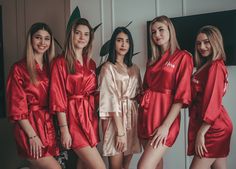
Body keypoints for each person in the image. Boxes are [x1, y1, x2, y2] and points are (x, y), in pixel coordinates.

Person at [137, 15, 193, 169]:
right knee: (155, 165)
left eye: (161, 30)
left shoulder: (183, 57)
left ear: (170, 30)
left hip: (164, 118)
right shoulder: (151, 60)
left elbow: (181, 97)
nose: (157, 35)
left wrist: (165, 126)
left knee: (143, 166)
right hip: (146, 116)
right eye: (153, 32)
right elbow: (144, 89)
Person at [49, 18, 106, 169]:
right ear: (71, 35)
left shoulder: (91, 63)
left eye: (86, 34)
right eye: (78, 33)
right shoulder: (60, 62)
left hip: (89, 118)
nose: (82, 37)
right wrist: (64, 129)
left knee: (83, 164)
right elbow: (58, 97)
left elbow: (94, 93)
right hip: (72, 119)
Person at [6, 23, 61, 169]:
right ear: (30, 40)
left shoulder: (52, 67)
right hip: (29, 126)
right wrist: (32, 135)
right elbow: (16, 107)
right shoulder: (18, 69)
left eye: (47, 39)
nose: (43, 43)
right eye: (38, 37)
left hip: (49, 125)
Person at [187, 25, 233, 169]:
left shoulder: (215, 66)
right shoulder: (207, 65)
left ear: (215, 42)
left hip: (213, 128)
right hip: (214, 124)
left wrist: (201, 132)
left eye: (206, 42)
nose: (202, 46)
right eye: (198, 43)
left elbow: (213, 101)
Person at [99, 27, 142, 169]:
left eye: (127, 41)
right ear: (113, 44)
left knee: (125, 166)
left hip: (132, 117)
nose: (123, 44)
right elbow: (109, 99)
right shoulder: (108, 68)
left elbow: (140, 94)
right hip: (115, 120)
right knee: (116, 166)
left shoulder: (135, 68)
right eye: (119, 40)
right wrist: (120, 131)